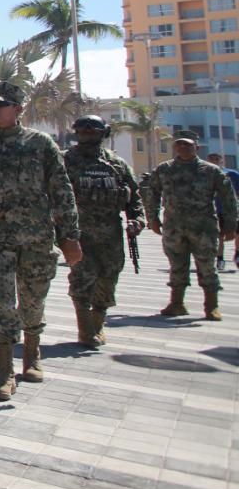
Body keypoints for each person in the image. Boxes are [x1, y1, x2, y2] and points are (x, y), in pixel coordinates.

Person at [0, 81, 82, 397]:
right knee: (3, 303)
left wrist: (70, 235)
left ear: (18, 108)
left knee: (33, 301)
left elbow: (61, 190)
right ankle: (4, 369)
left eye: (2, 104)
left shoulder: (41, 144)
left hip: (37, 237)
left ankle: (32, 353)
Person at [63, 115, 144, 347]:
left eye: (93, 131)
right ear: (76, 133)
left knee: (108, 278)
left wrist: (137, 220)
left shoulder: (116, 164)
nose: (88, 134)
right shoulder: (64, 161)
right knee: (81, 279)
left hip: (111, 234)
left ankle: (98, 323)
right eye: (83, 131)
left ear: (103, 133)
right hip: (78, 233)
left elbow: (134, 197)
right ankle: (85, 329)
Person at [143, 134, 238, 322]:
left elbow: (229, 199)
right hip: (174, 227)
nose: (183, 148)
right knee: (177, 266)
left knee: (207, 266)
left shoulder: (211, 171)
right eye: (179, 145)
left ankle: (211, 306)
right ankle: (176, 304)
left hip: (203, 227)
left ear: (197, 147)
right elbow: (151, 194)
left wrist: (230, 224)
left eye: (187, 145)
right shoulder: (164, 169)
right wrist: (152, 218)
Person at [205, 152, 239, 272]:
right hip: (214, 211)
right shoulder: (203, 174)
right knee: (219, 236)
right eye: (211, 159)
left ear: (221, 161)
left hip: (232, 211)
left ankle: (237, 253)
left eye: (216, 158)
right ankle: (220, 259)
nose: (214, 161)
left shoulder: (232, 174)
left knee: (236, 234)